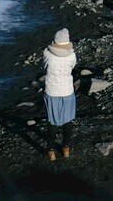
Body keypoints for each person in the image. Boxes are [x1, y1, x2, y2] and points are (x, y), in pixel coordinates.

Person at [42, 28, 77, 161]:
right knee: (67, 121)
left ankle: (50, 151)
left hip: (52, 91)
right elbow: (72, 67)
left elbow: (44, 68)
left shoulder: (47, 54)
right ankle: (66, 149)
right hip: (67, 90)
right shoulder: (72, 55)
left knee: (52, 121)